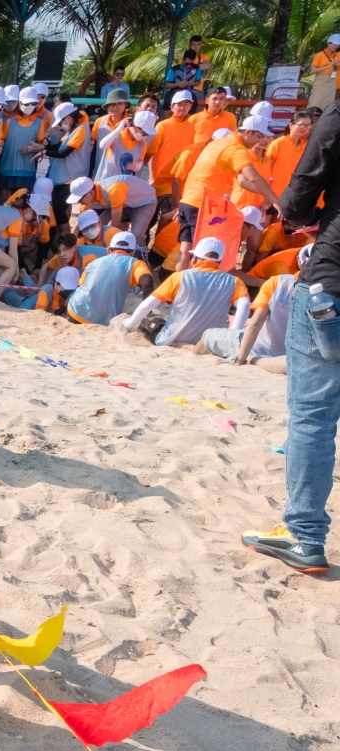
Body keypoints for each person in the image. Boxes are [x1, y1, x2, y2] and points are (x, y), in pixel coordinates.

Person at [242, 103, 340, 573]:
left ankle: (305, 536)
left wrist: (305, 215)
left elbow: (298, 199)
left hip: (333, 282)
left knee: (313, 417)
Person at [178, 115, 279, 265]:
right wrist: (277, 201)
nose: (258, 141)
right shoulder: (236, 149)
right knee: (201, 255)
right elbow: (253, 178)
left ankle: (180, 285)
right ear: (247, 132)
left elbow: (243, 182)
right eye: (258, 136)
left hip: (189, 200)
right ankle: (193, 286)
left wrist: (267, 195)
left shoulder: (219, 143)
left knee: (186, 251)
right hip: (203, 204)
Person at [117, 236, 248, 347]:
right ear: (219, 261)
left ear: (195, 258)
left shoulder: (180, 277)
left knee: (150, 319)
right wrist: (232, 334)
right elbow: (245, 305)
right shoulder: (234, 281)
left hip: (171, 339)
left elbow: (148, 304)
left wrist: (130, 323)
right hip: (207, 342)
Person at [194, 269, 293, 374]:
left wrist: (241, 359)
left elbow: (255, 322)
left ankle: (188, 347)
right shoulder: (310, 290)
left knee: (207, 335)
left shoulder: (277, 282)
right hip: (291, 353)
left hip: (259, 347)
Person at [66, 230, 154, 325]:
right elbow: (147, 282)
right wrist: (148, 311)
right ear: (132, 252)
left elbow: (80, 286)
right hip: (102, 322)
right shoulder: (135, 263)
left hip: (74, 313)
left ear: (108, 250)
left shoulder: (94, 262)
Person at [312, 33, 340, 110]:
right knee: (315, 101)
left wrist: (337, 65)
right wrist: (329, 65)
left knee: (329, 104)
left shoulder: (338, 55)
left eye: (337, 44)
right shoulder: (319, 55)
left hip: (333, 82)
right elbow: (313, 70)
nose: (335, 46)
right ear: (328, 43)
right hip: (321, 80)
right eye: (334, 44)